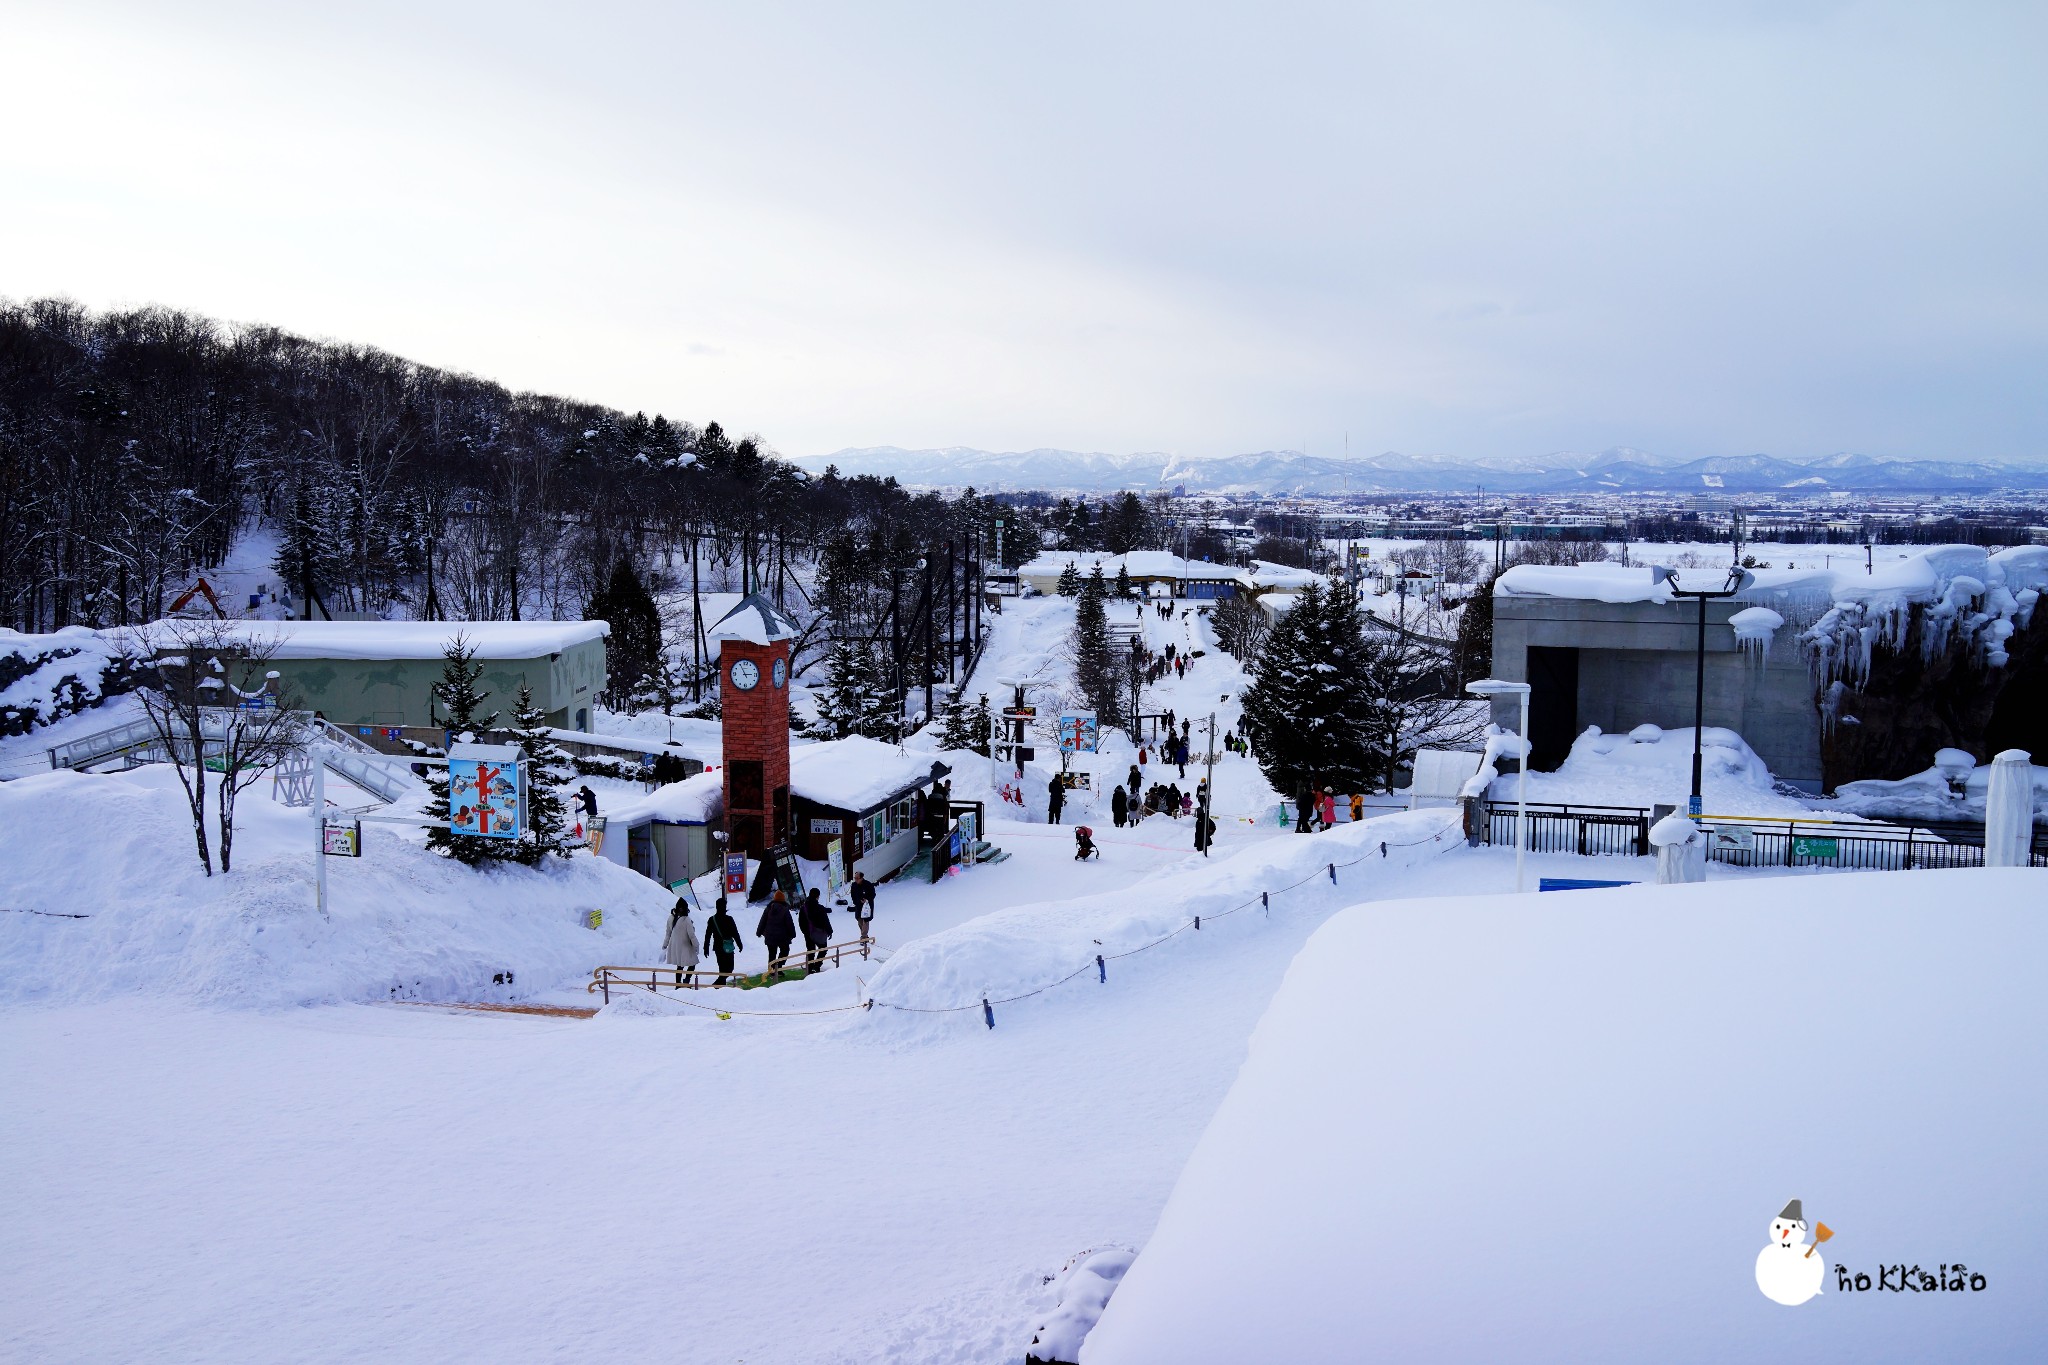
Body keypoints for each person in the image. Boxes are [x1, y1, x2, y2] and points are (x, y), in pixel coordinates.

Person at [704, 896, 741, 986]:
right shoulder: (729, 919)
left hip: (718, 947)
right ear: (725, 906)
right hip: (728, 946)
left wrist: (706, 947)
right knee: (729, 968)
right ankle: (717, 985)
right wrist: (739, 944)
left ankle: (720, 987)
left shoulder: (712, 919)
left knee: (722, 969)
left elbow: (708, 935)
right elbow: (735, 933)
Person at [757, 889, 796, 975]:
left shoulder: (768, 908)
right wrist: (793, 934)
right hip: (783, 937)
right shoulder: (785, 910)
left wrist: (759, 932)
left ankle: (771, 970)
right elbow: (789, 923)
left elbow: (762, 921)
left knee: (772, 953)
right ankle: (778, 967)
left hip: (770, 936)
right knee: (785, 950)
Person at [664, 897, 700, 987]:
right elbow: (691, 935)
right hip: (686, 946)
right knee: (692, 963)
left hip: (675, 946)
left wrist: (665, 944)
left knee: (680, 966)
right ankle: (686, 981)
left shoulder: (670, 918)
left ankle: (678, 984)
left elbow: (668, 933)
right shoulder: (686, 919)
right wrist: (696, 945)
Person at [798, 887, 833, 975]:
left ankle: (809, 968)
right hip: (819, 933)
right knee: (823, 949)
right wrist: (829, 931)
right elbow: (825, 921)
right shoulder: (820, 908)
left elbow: (800, 922)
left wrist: (805, 931)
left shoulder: (803, 908)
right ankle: (817, 966)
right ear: (817, 896)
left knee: (810, 950)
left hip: (808, 933)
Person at [848, 870, 877, 954]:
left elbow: (873, 894)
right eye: (855, 878)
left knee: (865, 921)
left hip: (867, 906)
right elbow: (852, 895)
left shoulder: (868, 884)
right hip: (858, 905)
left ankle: (863, 937)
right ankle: (865, 935)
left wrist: (867, 899)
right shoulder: (854, 885)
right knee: (859, 921)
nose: (856, 880)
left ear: (861, 878)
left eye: (857, 878)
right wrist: (856, 902)